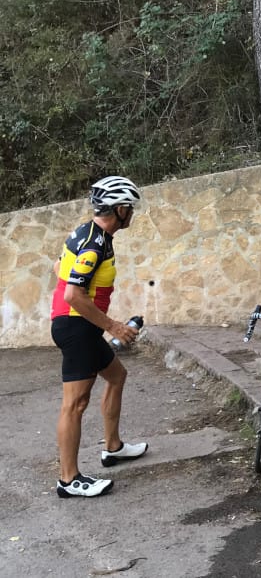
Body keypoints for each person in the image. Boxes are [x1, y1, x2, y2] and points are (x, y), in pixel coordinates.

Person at [50, 176, 149, 498]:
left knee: (117, 375)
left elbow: (58, 267)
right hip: (76, 327)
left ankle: (113, 447)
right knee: (75, 404)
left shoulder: (87, 233)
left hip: (81, 326)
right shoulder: (94, 245)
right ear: (119, 209)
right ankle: (68, 480)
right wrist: (115, 326)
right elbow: (73, 296)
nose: (132, 213)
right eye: (130, 208)